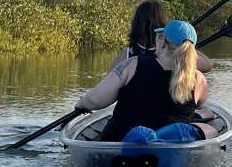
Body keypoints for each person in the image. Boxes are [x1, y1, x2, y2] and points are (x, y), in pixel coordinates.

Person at [76, 19, 218, 142]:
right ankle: (160, 139)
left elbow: (94, 100)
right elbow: (199, 106)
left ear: (162, 41)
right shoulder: (198, 78)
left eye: (158, 36)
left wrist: (82, 103)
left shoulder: (133, 64)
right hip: (171, 149)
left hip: (118, 143)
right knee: (210, 130)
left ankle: (144, 139)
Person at [110, 0, 213, 74]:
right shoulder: (175, 55)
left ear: (136, 25)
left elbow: (109, 85)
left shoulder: (125, 56)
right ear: (163, 24)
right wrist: (185, 45)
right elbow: (208, 65)